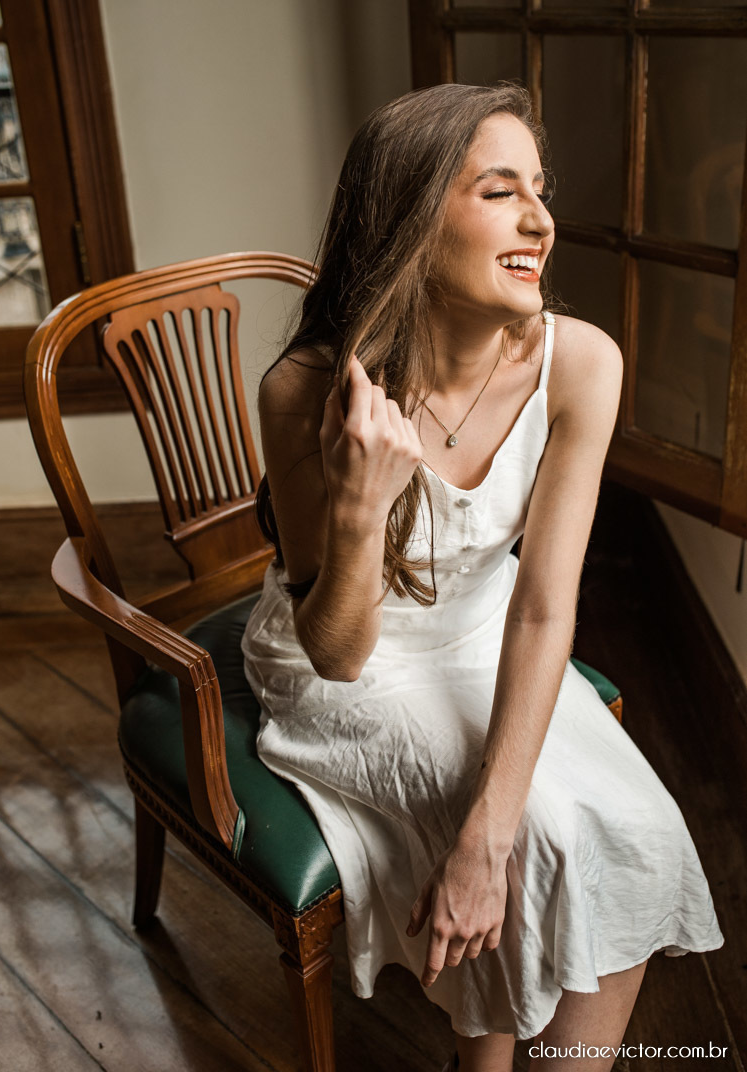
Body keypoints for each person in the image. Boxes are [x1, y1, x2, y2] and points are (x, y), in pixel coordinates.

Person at [242, 83, 724, 1071]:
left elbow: (544, 609)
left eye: (540, 191)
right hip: (347, 667)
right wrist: (359, 507)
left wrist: (482, 840)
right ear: (412, 223)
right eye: (500, 192)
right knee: (543, 831)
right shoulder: (305, 389)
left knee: (635, 828)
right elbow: (337, 654)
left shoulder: (581, 364)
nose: (540, 220)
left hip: (487, 627)